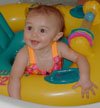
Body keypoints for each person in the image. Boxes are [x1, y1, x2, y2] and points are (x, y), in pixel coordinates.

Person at [8, 5, 97, 99]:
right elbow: (14, 78)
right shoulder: (24, 55)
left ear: (56, 36)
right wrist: (17, 103)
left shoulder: (60, 48)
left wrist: (85, 78)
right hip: (34, 87)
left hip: (55, 85)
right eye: (29, 28)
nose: (34, 34)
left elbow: (80, 58)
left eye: (42, 30)